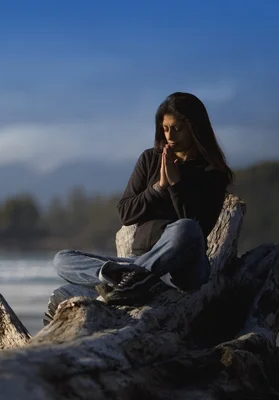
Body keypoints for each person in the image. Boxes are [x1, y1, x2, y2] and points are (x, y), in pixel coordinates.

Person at [53, 92, 234, 305]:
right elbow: (126, 213)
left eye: (177, 129)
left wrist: (176, 185)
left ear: (195, 128)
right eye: (165, 129)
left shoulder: (213, 172)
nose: (170, 136)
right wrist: (158, 188)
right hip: (138, 260)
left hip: (183, 268)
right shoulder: (150, 159)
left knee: (186, 228)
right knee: (62, 259)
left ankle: (130, 281)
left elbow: (199, 228)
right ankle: (132, 280)